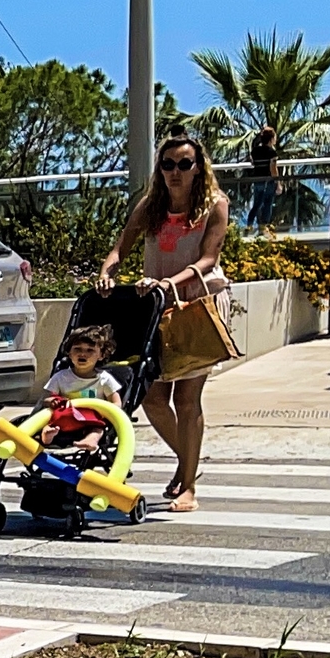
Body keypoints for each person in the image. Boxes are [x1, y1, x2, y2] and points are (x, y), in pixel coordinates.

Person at [97, 131, 230, 512]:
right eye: (168, 164)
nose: (175, 172)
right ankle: (188, 462)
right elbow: (120, 248)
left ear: (198, 168)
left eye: (184, 164)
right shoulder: (150, 206)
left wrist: (172, 282)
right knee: (154, 399)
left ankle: (188, 483)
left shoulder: (214, 205)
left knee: (187, 399)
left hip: (195, 304)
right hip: (154, 307)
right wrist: (109, 270)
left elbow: (208, 259)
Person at [39, 323, 122, 452]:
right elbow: (46, 400)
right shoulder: (61, 377)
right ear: (69, 353)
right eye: (77, 349)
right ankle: (47, 435)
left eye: (90, 350)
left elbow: (116, 403)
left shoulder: (104, 379)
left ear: (101, 355)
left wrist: (105, 411)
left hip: (90, 419)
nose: (83, 354)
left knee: (97, 428)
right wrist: (52, 401)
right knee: (49, 420)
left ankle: (91, 440)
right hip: (66, 416)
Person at [245, 125, 281, 231]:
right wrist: (278, 183)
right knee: (267, 204)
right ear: (271, 138)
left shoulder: (255, 151)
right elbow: (273, 169)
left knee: (257, 204)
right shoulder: (272, 152)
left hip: (257, 180)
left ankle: (249, 225)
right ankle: (264, 226)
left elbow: (252, 161)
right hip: (268, 181)